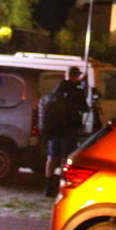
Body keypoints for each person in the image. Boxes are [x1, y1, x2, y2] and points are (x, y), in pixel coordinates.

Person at [40, 66, 90, 197]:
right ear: (76, 76)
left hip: (54, 128)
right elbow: (85, 109)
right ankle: (61, 188)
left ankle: (47, 187)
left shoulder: (57, 89)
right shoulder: (76, 91)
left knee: (51, 158)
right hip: (69, 129)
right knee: (64, 159)